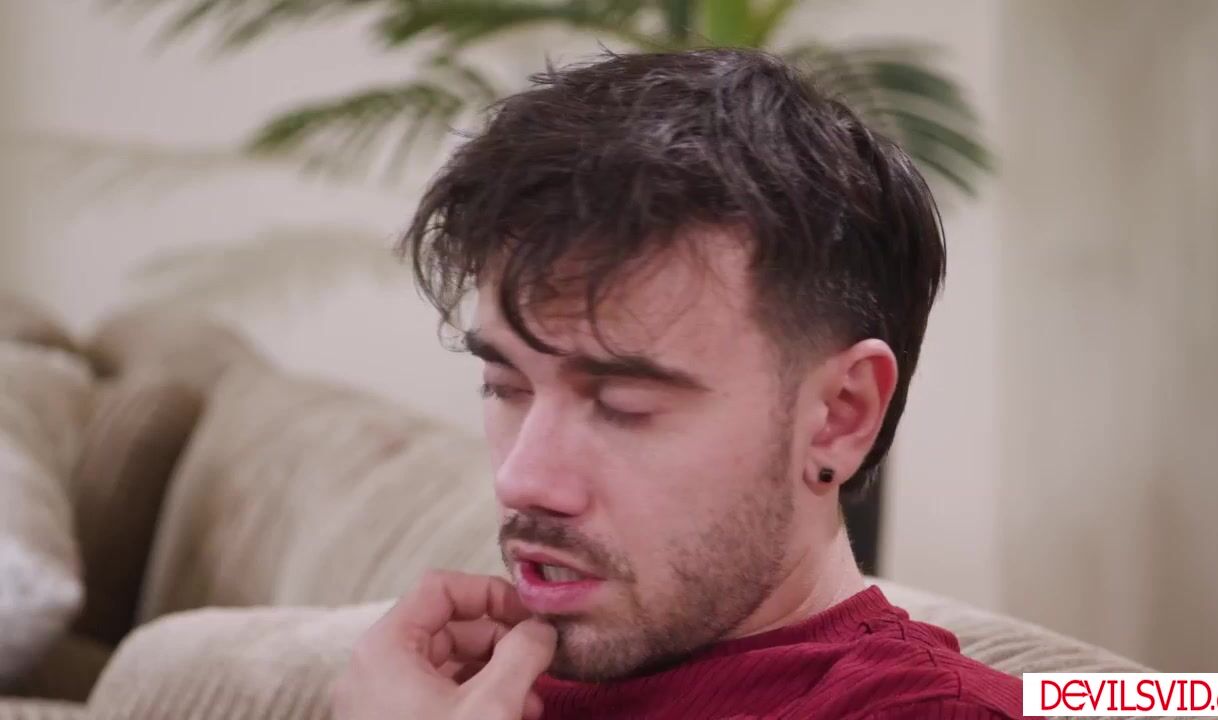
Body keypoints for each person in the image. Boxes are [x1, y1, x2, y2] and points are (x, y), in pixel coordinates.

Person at [331, 48, 1024, 720]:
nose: (522, 481)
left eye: (622, 404)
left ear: (839, 415)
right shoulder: (458, 685)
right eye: (505, 385)